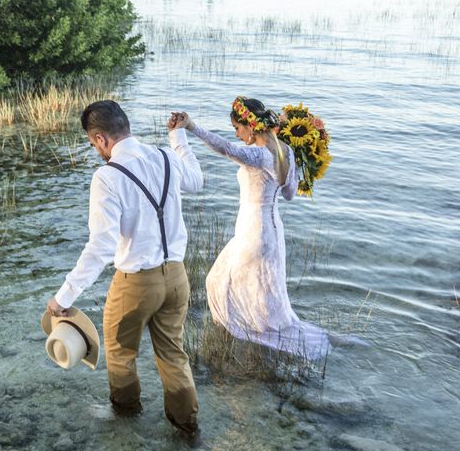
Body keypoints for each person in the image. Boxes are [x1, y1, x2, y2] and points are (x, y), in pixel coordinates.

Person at [46, 100, 204, 445]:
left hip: (135, 283)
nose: (96, 151)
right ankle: (187, 428)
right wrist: (178, 138)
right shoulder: (165, 156)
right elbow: (197, 180)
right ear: (126, 125)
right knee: (173, 355)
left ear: (101, 138)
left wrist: (63, 298)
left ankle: (127, 420)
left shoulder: (106, 177)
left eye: (93, 145)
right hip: (177, 278)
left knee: (120, 353)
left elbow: (101, 247)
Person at [171, 97, 332, 360]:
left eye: (237, 128)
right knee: (261, 290)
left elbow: (225, 149)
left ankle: (250, 343)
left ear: (251, 125)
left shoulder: (258, 155)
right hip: (272, 229)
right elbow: (290, 193)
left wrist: (192, 127)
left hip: (253, 230)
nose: (236, 134)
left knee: (218, 282)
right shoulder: (285, 151)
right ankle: (257, 343)